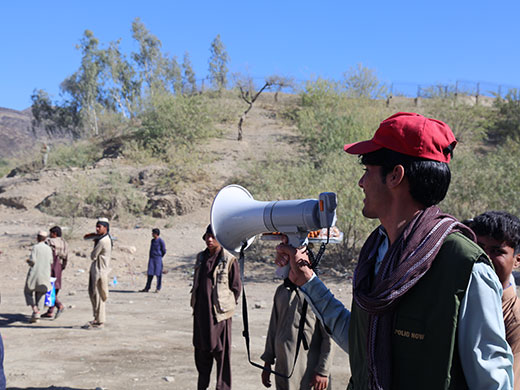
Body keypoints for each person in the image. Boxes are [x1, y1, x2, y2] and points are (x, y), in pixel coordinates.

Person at [275, 112, 514, 389]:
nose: (361, 183)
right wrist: (306, 280)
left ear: (395, 176)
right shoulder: (377, 253)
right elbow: (362, 344)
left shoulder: (465, 267)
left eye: (367, 171)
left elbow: (492, 381)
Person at [466, 211, 520, 389]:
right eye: (480, 248)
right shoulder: (461, 294)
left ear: (517, 260)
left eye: (497, 251)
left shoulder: (515, 322)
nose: (486, 258)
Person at [191, 224, 241, 390]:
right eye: (207, 236)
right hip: (200, 316)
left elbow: (236, 288)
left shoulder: (229, 260)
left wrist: (225, 306)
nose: (209, 240)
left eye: (213, 236)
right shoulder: (200, 258)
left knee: (222, 356)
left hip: (220, 317)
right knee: (201, 354)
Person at [261, 278, 333, 390]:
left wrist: (323, 370)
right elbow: (273, 328)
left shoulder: (317, 293)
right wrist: (267, 361)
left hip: (306, 368)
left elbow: (329, 336)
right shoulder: (282, 290)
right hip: (282, 366)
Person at [83, 217, 112, 329]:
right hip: (100, 269)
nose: (97, 229)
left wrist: (95, 243)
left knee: (98, 295)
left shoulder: (102, 241)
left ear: (105, 227)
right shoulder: (105, 238)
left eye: (99, 227)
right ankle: (97, 318)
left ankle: (100, 320)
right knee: (94, 294)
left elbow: (93, 256)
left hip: (99, 270)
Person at [24, 230, 53, 323]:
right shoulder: (49, 249)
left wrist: (28, 261)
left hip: (34, 274)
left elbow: (33, 261)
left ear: (37, 238)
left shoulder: (35, 247)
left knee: (28, 292)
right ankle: (38, 313)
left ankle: (35, 309)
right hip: (45, 274)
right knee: (41, 293)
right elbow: (51, 261)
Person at [42, 226, 69, 319]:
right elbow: (66, 257)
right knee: (55, 288)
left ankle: (59, 305)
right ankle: (50, 311)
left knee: (49, 288)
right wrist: (63, 267)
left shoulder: (50, 242)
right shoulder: (64, 243)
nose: (50, 235)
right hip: (59, 267)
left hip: (51, 267)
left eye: (51, 233)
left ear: (55, 234)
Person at [140, 228, 166, 293]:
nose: (152, 234)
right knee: (150, 274)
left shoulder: (161, 241)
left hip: (158, 259)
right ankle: (147, 288)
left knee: (158, 274)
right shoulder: (152, 241)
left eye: (153, 233)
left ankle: (158, 288)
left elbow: (164, 250)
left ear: (156, 234)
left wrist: (159, 256)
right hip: (152, 259)